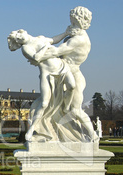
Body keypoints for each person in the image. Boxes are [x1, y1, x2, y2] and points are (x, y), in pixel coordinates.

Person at [31, 6, 95, 141]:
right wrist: (65, 33)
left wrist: (38, 56)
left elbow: (57, 51)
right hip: (63, 73)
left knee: (75, 110)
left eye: (72, 20)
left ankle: (93, 135)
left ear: (78, 20)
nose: (70, 23)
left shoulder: (79, 39)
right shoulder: (76, 35)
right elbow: (56, 44)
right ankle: (47, 134)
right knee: (49, 105)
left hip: (72, 75)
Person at [8, 29, 76, 140]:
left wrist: (66, 33)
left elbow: (53, 40)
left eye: (19, 35)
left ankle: (66, 108)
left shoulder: (40, 38)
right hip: (47, 74)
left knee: (72, 86)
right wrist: (47, 47)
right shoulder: (25, 48)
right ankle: (31, 129)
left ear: (23, 31)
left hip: (61, 67)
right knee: (44, 103)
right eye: (18, 40)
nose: (20, 39)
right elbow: (36, 58)